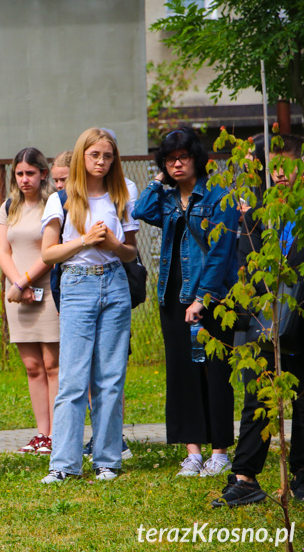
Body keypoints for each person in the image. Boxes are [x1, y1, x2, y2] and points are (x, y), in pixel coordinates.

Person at [133, 127, 238, 478]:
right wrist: (159, 178)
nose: (177, 164)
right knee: (182, 375)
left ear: (196, 158)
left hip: (210, 298)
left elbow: (221, 252)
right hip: (171, 299)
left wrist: (202, 299)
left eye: (183, 157)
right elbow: (140, 209)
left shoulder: (218, 196)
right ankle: (193, 453)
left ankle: (220, 452)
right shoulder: (166, 198)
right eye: (169, 159)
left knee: (215, 374)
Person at [40, 128, 137, 483]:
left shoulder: (120, 195)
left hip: (114, 282)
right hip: (78, 283)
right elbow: (49, 253)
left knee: (111, 378)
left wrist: (113, 243)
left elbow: (131, 252)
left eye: (108, 156)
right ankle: (63, 464)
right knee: (73, 378)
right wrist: (84, 240)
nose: (101, 161)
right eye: (95, 155)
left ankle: (107, 459)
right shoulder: (61, 199)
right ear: (82, 156)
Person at [213, 133, 304, 507]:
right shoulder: (253, 218)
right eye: (274, 167)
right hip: (262, 321)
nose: (281, 174)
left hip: (301, 317)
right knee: (258, 397)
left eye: (289, 166)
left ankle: (300, 476)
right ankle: (245, 477)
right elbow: (243, 271)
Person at [0, 147, 58, 455]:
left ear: (43, 173)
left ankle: (59, 434)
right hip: (18, 295)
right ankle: (42, 435)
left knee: (52, 364)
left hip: (47, 291)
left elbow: (52, 251)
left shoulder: (55, 204)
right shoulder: (8, 206)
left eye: (30, 173)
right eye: (19, 174)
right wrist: (17, 284)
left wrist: (24, 281)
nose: (24, 179)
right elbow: (2, 251)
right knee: (33, 366)